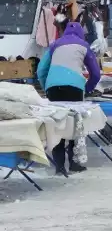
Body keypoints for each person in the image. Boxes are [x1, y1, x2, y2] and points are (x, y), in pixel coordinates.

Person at [37, 22, 101, 174]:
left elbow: (40, 70)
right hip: (74, 88)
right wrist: (88, 87)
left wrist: (48, 86)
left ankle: (59, 166)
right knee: (74, 125)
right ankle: (74, 163)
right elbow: (96, 74)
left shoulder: (54, 45)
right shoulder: (84, 46)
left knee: (57, 123)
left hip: (53, 88)